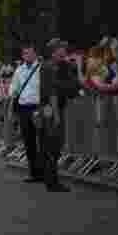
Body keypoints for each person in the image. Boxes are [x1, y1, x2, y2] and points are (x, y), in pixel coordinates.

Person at [38, 38, 81, 192]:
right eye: (62, 49)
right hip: (51, 109)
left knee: (52, 145)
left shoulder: (58, 66)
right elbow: (52, 94)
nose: (65, 51)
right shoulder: (49, 68)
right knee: (54, 144)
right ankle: (52, 181)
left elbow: (74, 86)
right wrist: (56, 115)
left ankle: (49, 178)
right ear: (54, 51)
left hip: (51, 108)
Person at [10, 42, 42, 183]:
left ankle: (44, 172)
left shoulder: (41, 68)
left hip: (37, 107)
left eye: (29, 53)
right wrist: (12, 92)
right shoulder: (19, 70)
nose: (26, 56)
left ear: (35, 54)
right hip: (24, 108)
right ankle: (33, 173)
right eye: (24, 53)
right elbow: (14, 87)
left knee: (42, 140)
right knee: (28, 141)